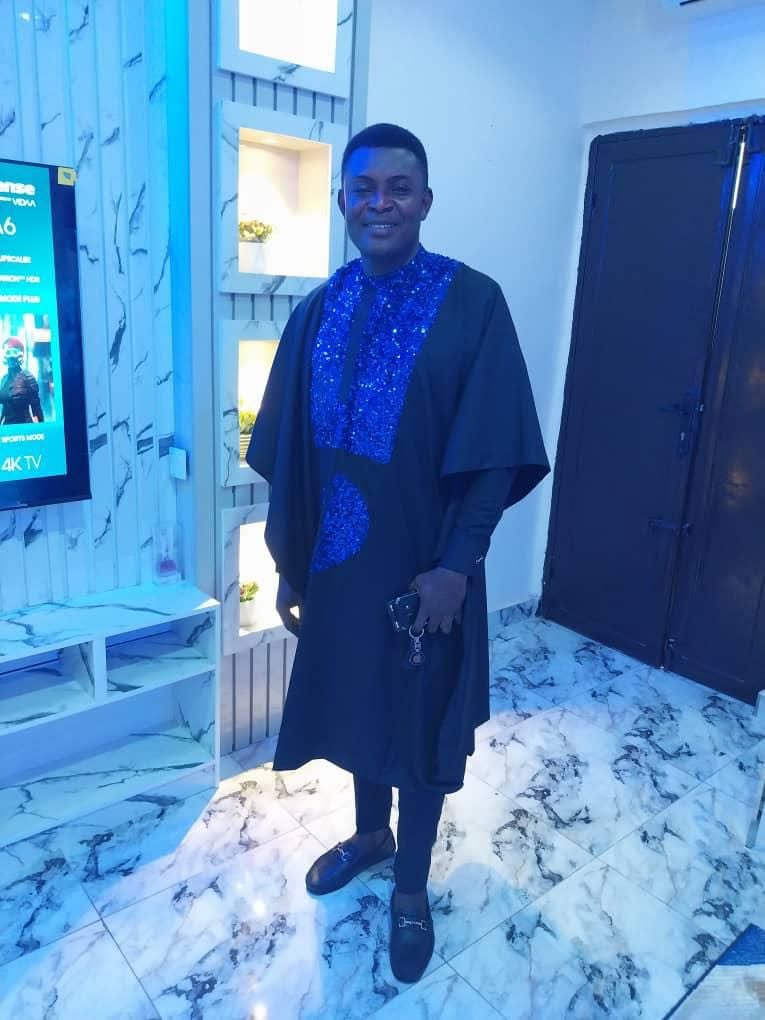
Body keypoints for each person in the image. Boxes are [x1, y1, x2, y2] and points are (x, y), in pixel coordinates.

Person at [246, 123, 549, 983]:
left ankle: (410, 887)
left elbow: (495, 454)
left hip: (426, 575)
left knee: (418, 728)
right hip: (339, 572)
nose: (379, 203)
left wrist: (456, 568)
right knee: (355, 707)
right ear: (342, 199)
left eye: (397, 187)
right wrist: (292, 566)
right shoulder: (318, 310)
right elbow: (292, 458)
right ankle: (370, 836)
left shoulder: (472, 303)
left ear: (424, 200)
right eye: (363, 188)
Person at [0, 337, 44, 426]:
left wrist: (41, 428)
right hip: (7, 428)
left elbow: (36, 408)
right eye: (8, 356)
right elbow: (5, 407)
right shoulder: (4, 379)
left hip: (24, 427)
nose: (11, 360)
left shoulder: (28, 377)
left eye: (13, 358)